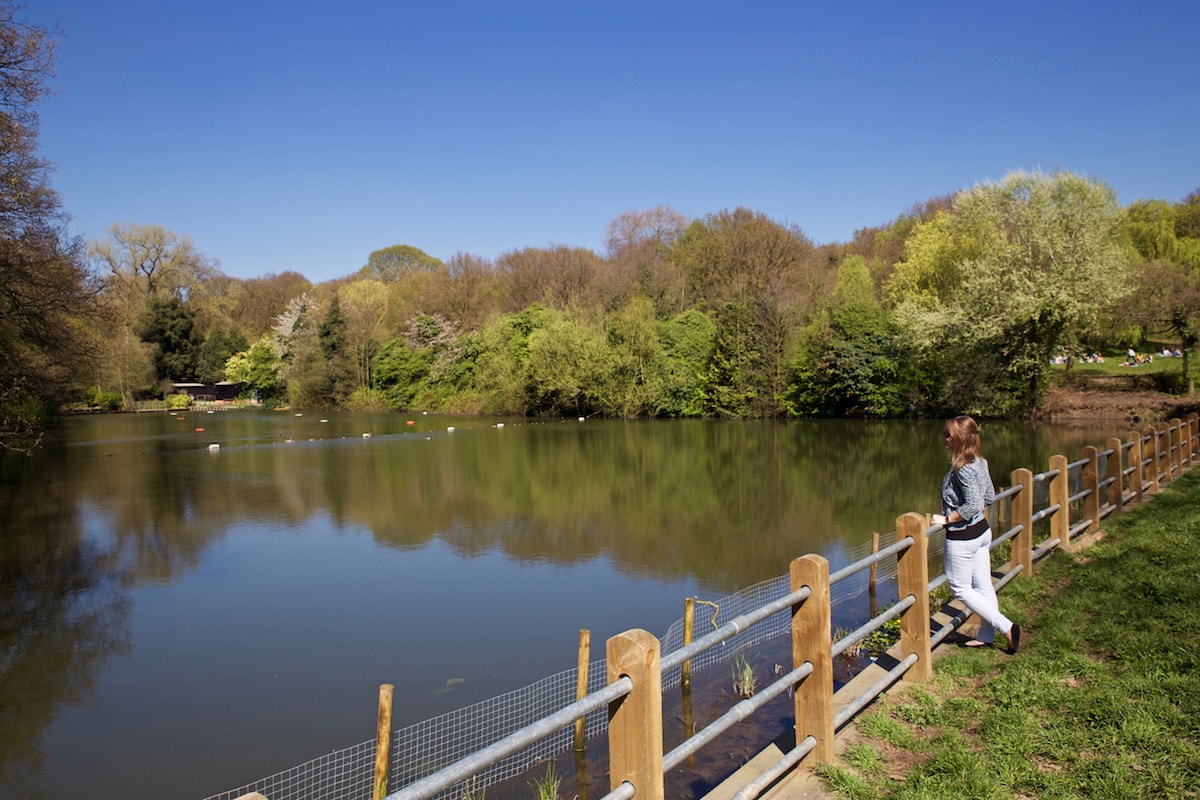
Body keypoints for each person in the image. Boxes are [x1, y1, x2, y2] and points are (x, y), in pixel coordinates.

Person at [930, 416, 1022, 653]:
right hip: (982, 532)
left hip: (964, 536)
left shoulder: (963, 468)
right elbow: (989, 497)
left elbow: (972, 506)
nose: (944, 438)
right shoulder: (981, 462)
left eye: (948, 434)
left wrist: (947, 519)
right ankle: (986, 636)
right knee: (983, 585)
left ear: (960, 438)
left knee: (959, 588)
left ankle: (1007, 626)